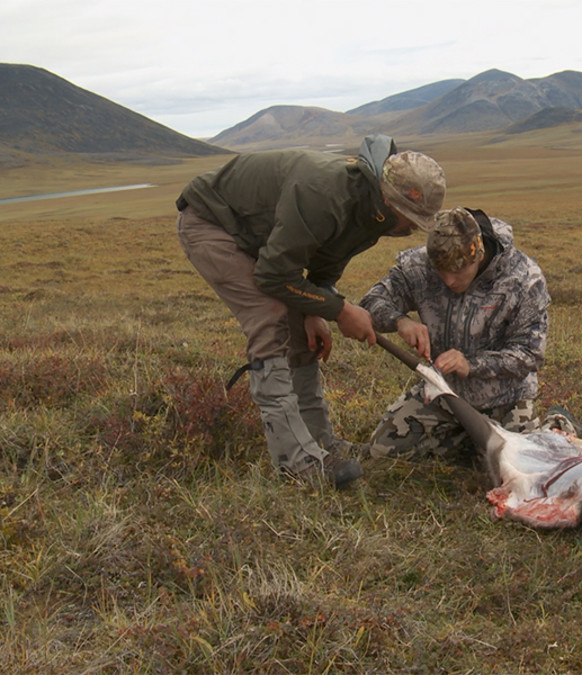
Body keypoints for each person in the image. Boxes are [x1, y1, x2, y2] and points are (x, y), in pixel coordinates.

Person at [176, 135, 446, 488]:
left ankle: (318, 442)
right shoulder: (325, 194)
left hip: (263, 241)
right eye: (409, 217)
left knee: (300, 327)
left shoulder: (374, 215)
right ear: (386, 197)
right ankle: (295, 462)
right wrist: (339, 310)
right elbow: (273, 275)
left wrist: (315, 310)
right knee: (271, 315)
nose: (411, 227)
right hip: (213, 223)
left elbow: (325, 263)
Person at [360, 206, 557, 461]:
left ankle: (556, 424)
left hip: (504, 398)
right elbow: (371, 301)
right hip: (443, 393)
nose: (449, 281)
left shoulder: (523, 278)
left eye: (458, 271)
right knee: (381, 452)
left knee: (521, 466)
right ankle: (475, 443)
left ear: (479, 255)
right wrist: (400, 321)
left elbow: (530, 354)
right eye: (441, 271)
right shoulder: (421, 265)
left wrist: (470, 364)